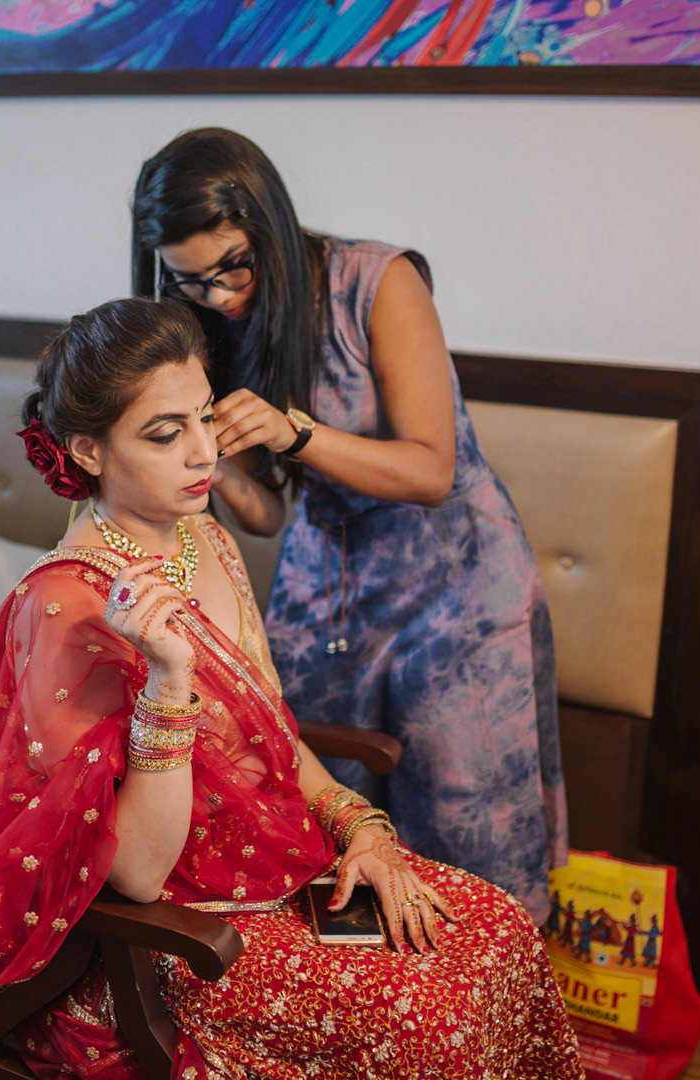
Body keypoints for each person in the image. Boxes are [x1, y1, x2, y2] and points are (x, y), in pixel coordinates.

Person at [0, 298, 581, 1079]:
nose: (205, 454)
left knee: (503, 931)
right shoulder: (67, 609)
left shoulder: (205, 538)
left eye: (205, 418)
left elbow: (271, 733)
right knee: (439, 1018)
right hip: (180, 931)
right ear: (87, 449)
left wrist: (362, 828)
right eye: (166, 434)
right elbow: (138, 875)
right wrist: (168, 679)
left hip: (281, 855)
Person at [131, 127, 568, 922]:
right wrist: (212, 462)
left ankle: (479, 980)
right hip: (326, 578)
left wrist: (293, 432)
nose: (220, 296)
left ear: (268, 223)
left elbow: (431, 471)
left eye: (233, 266)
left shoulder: (377, 281)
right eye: (192, 280)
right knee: (314, 801)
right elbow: (269, 514)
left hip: (452, 577)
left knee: (462, 811)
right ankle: (360, 987)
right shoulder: (211, 322)